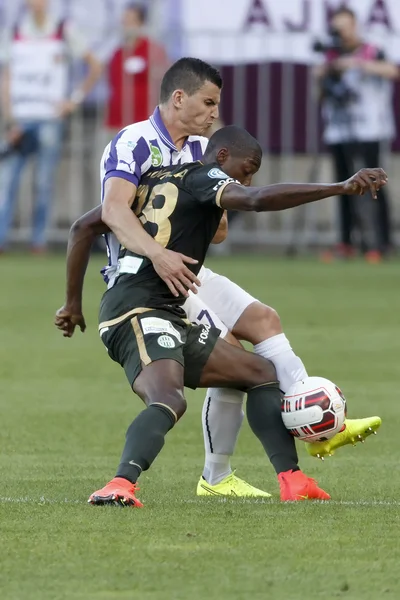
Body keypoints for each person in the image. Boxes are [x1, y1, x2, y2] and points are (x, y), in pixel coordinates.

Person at [55, 57, 381, 499]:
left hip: (187, 274)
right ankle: (211, 471)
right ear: (178, 98)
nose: (214, 113)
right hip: (145, 280)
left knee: (262, 330)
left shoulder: (198, 152)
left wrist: (212, 208)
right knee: (200, 375)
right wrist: (157, 253)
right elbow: (108, 214)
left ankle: (308, 440)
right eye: (208, 103)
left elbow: (220, 225)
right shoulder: (134, 142)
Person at [0, 0, 102, 253]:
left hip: (49, 118)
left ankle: (38, 241)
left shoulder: (62, 29)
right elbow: (6, 76)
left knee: (44, 183)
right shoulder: (13, 30)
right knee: (7, 181)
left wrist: (73, 101)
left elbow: (94, 65)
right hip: (20, 119)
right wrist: (9, 117)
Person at [314, 6, 398, 262]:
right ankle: (346, 241)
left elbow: (392, 71)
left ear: (355, 26)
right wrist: (324, 74)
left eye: (345, 27)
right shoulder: (329, 57)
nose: (342, 34)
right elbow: (319, 95)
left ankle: (381, 241)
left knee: (376, 184)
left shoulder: (372, 50)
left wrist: (359, 64)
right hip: (339, 130)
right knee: (342, 185)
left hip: (371, 128)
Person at [104, 2, 169, 139]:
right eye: (124, 20)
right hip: (116, 121)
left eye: (130, 20)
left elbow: (165, 77)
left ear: (140, 23)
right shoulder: (117, 53)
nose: (125, 24)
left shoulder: (153, 50)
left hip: (143, 123)